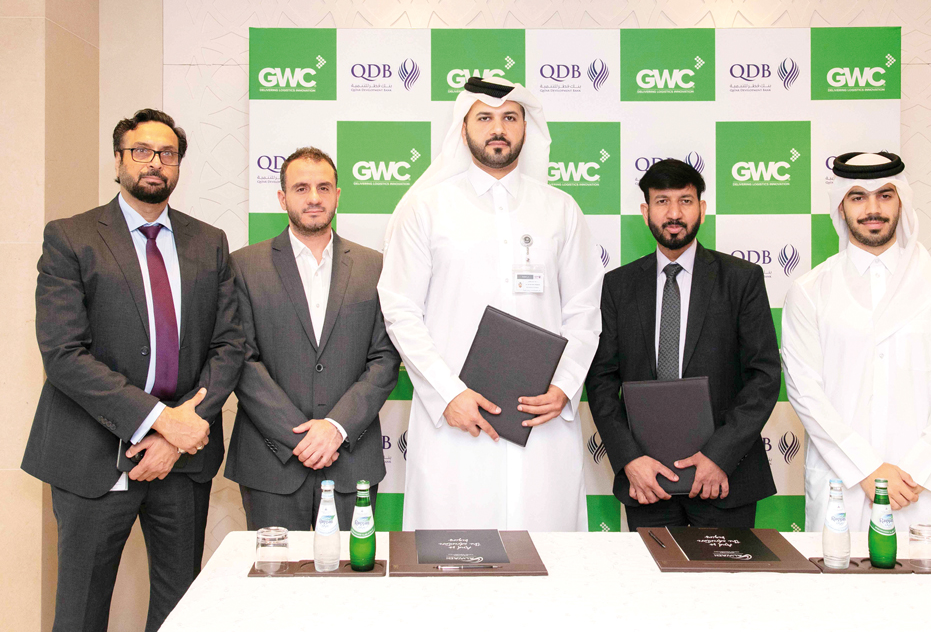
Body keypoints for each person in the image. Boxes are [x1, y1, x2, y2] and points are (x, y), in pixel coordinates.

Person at [21, 109, 244, 631]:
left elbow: (229, 345)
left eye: (168, 154)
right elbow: (63, 354)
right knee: (80, 610)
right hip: (91, 454)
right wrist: (158, 421)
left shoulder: (208, 241)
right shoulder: (71, 238)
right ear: (118, 159)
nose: (155, 163)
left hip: (183, 459)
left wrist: (180, 432)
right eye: (141, 151)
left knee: (180, 610)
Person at [377, 77, 604, 531]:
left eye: (509, 117)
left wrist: (562, 388)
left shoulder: (560, 209)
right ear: (463, 129)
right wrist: (449, 394)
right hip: (456, 422)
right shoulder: (425, 209)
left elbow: (583, 310)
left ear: (526, 128)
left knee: (547, 551)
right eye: (484, 117)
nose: (497, 128)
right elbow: (401, 310)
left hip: (542, 418)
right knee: (454, 559)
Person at [782, 151, 931, 536]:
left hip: (920, 489)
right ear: (841, 206)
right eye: (858, 196)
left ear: (901, 201)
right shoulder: (810, 292)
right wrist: (866, 470)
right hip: (843, 486)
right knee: (837, 592)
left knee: (928, 594)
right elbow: (806, 392)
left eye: (885, 195)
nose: (872, 208)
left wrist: (917, 470)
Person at [585, 159, 780, 531]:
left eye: (686, 201)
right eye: (662, 202)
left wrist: (719, 457)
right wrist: (630, 461)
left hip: (724, 479)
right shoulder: (618, 286)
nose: (674, 213)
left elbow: (764, 377)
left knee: (726, 588)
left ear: (702, 209)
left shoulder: (741, 280)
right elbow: (601, 380)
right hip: (647, 482)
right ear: (645, 212)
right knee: (649, 587)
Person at [226, 146, 400, 530]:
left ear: (338, 195)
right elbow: (240, 359)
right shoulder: (243, 265)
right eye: (301, 188)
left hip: (351, 460)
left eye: (324, 187)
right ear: (282, 197)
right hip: (270, 462)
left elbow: (385, 359)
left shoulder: (376, 266)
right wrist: (301, 437)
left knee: (349, 584)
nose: (314, 198)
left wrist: (335, 427)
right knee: (276, 583)